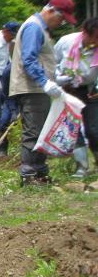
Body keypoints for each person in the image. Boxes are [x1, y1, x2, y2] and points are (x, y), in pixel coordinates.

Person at [8, 0, 77, 185]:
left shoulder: (40, 28)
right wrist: (45, 82)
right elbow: (29, 60)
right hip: (32, 88)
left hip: (39, 88)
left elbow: (41, 59)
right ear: (51, 11)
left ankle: (39, 172)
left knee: (42, 131)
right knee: (34, 131)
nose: (61, 23)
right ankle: (29, 174)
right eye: (61, 18)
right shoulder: (34, 28)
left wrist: (55, 78)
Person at [55, 16, 98, 177]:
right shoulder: (66, 42)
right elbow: (53, 62)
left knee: (94, 129)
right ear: (85, 32)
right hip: (68, 89)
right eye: (96, 37)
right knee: (73, 129)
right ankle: (82, 166)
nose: (97, 42)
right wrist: (58, 78)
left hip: (91, 90)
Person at [0, 62, 20, 157]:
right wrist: (14, 111)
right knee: (3, 122)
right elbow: (6, 95)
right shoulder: (8, 72)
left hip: (29, 98)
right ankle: (2, 151)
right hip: (11, 98)